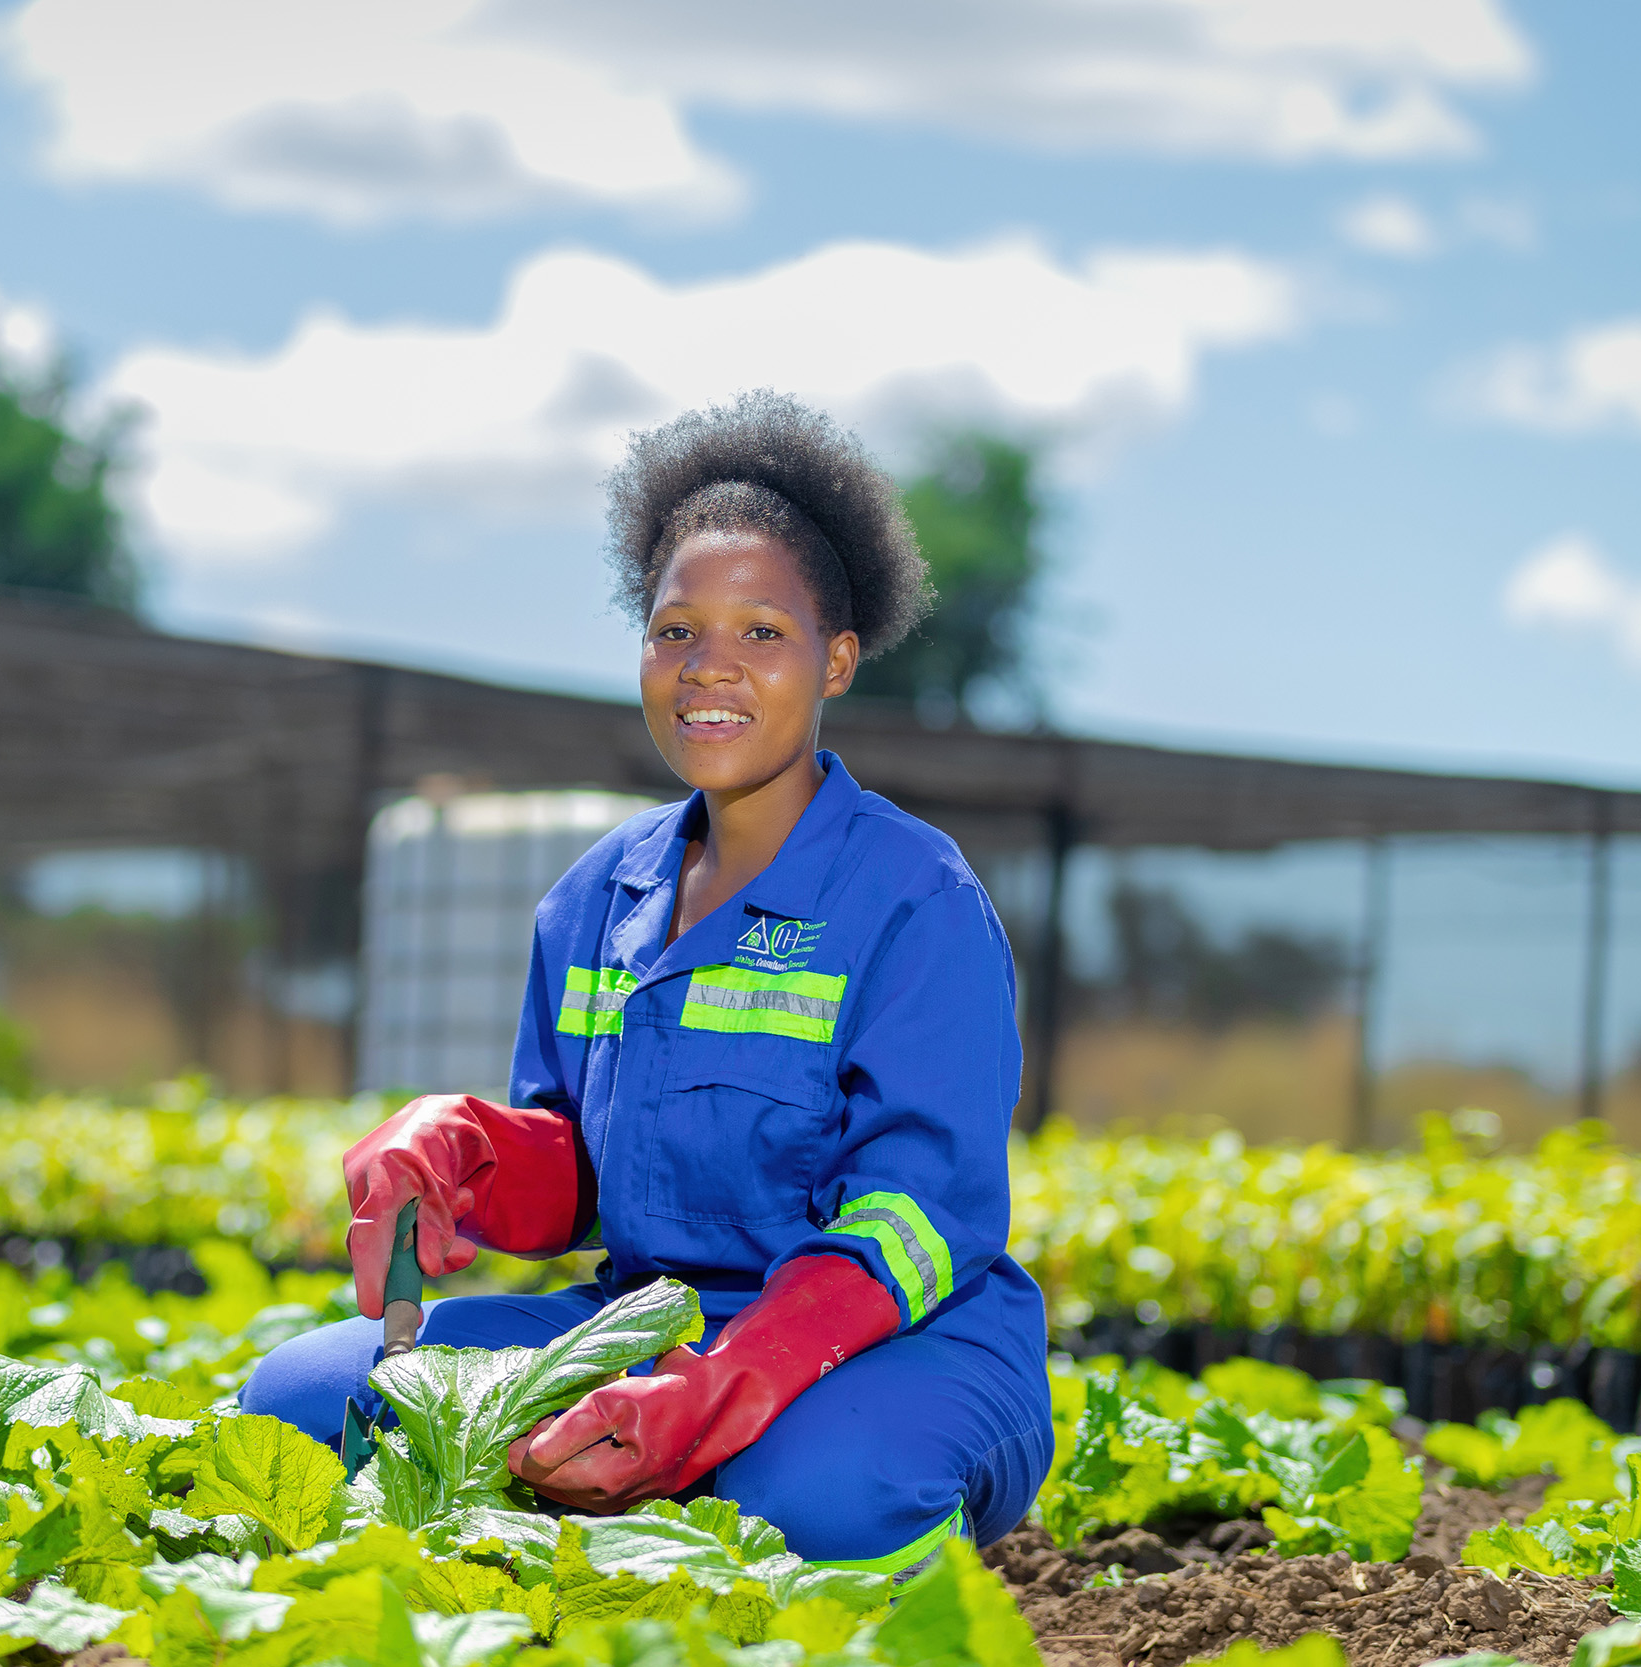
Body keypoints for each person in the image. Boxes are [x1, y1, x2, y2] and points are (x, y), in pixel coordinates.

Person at [240, 391, 1052, 1576]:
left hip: (889, 1340)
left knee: (810, 1507)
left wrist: (723, 1384)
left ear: (836, 657)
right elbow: (580, 1168)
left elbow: (917, 1221)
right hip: (646, 1320)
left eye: (760, 633)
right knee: (299, 1403)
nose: (707, 667)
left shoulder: (913, 898)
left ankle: (723, 1483)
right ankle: (635, 1477)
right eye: (676, 631)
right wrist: (464, 1148)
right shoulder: (593, 899)